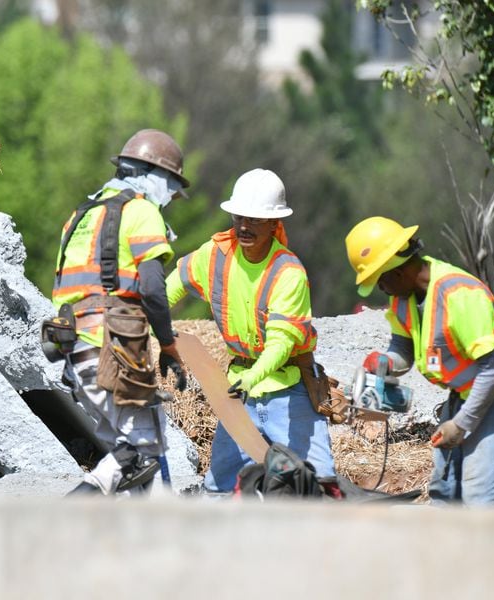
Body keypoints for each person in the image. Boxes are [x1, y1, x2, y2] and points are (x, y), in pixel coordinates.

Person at [345, 216, 494, 506]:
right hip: (463, 394)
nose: (381, 289)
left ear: (396, 272)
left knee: (478, 495)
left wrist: (461, 424)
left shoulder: (459, 293)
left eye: (379, 281)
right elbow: (403, 348)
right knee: (444, 489)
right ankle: (446, 551)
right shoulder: (405, 299)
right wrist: (385, 361)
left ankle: (484, 551)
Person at [167, 168, 335, 493]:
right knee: (218, 487)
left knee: (318, 485)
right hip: (240, 392)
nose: (244, 226)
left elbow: (281, 344)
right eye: (239, 217)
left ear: (275, 224)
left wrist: (252, 377)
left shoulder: (288, 272)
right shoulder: (216, 255)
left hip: (289, 389)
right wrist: (151, 321)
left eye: (256, 220)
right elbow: (173, 285)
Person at [52, 129, 189, 495]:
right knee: (141, 453)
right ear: (159, 177)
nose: (171, 199)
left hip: (75, 354)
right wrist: (169, 345)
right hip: (112, 351)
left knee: (128, 460)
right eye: (172, 189)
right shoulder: (141, 211)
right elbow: (153, 290)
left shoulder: (80, 216)